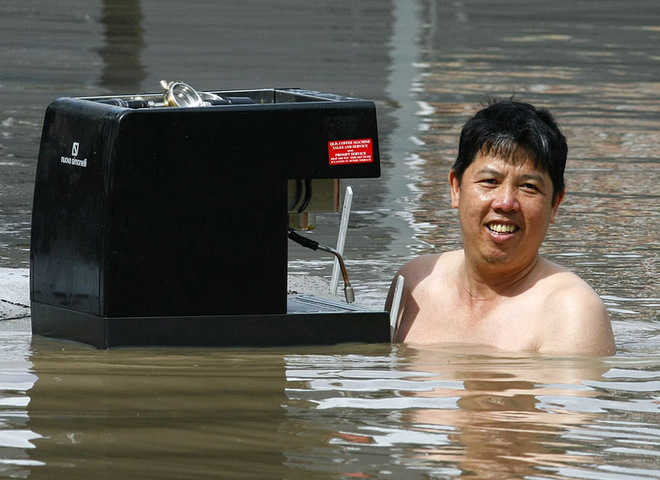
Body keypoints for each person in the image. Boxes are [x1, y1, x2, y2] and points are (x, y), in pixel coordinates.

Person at [385, 99, 616, 355]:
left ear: (555, 203)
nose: (506, 202)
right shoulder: (416, 283)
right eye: (490, 181)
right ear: (456, 188)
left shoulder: (571, 312)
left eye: (529, 186)